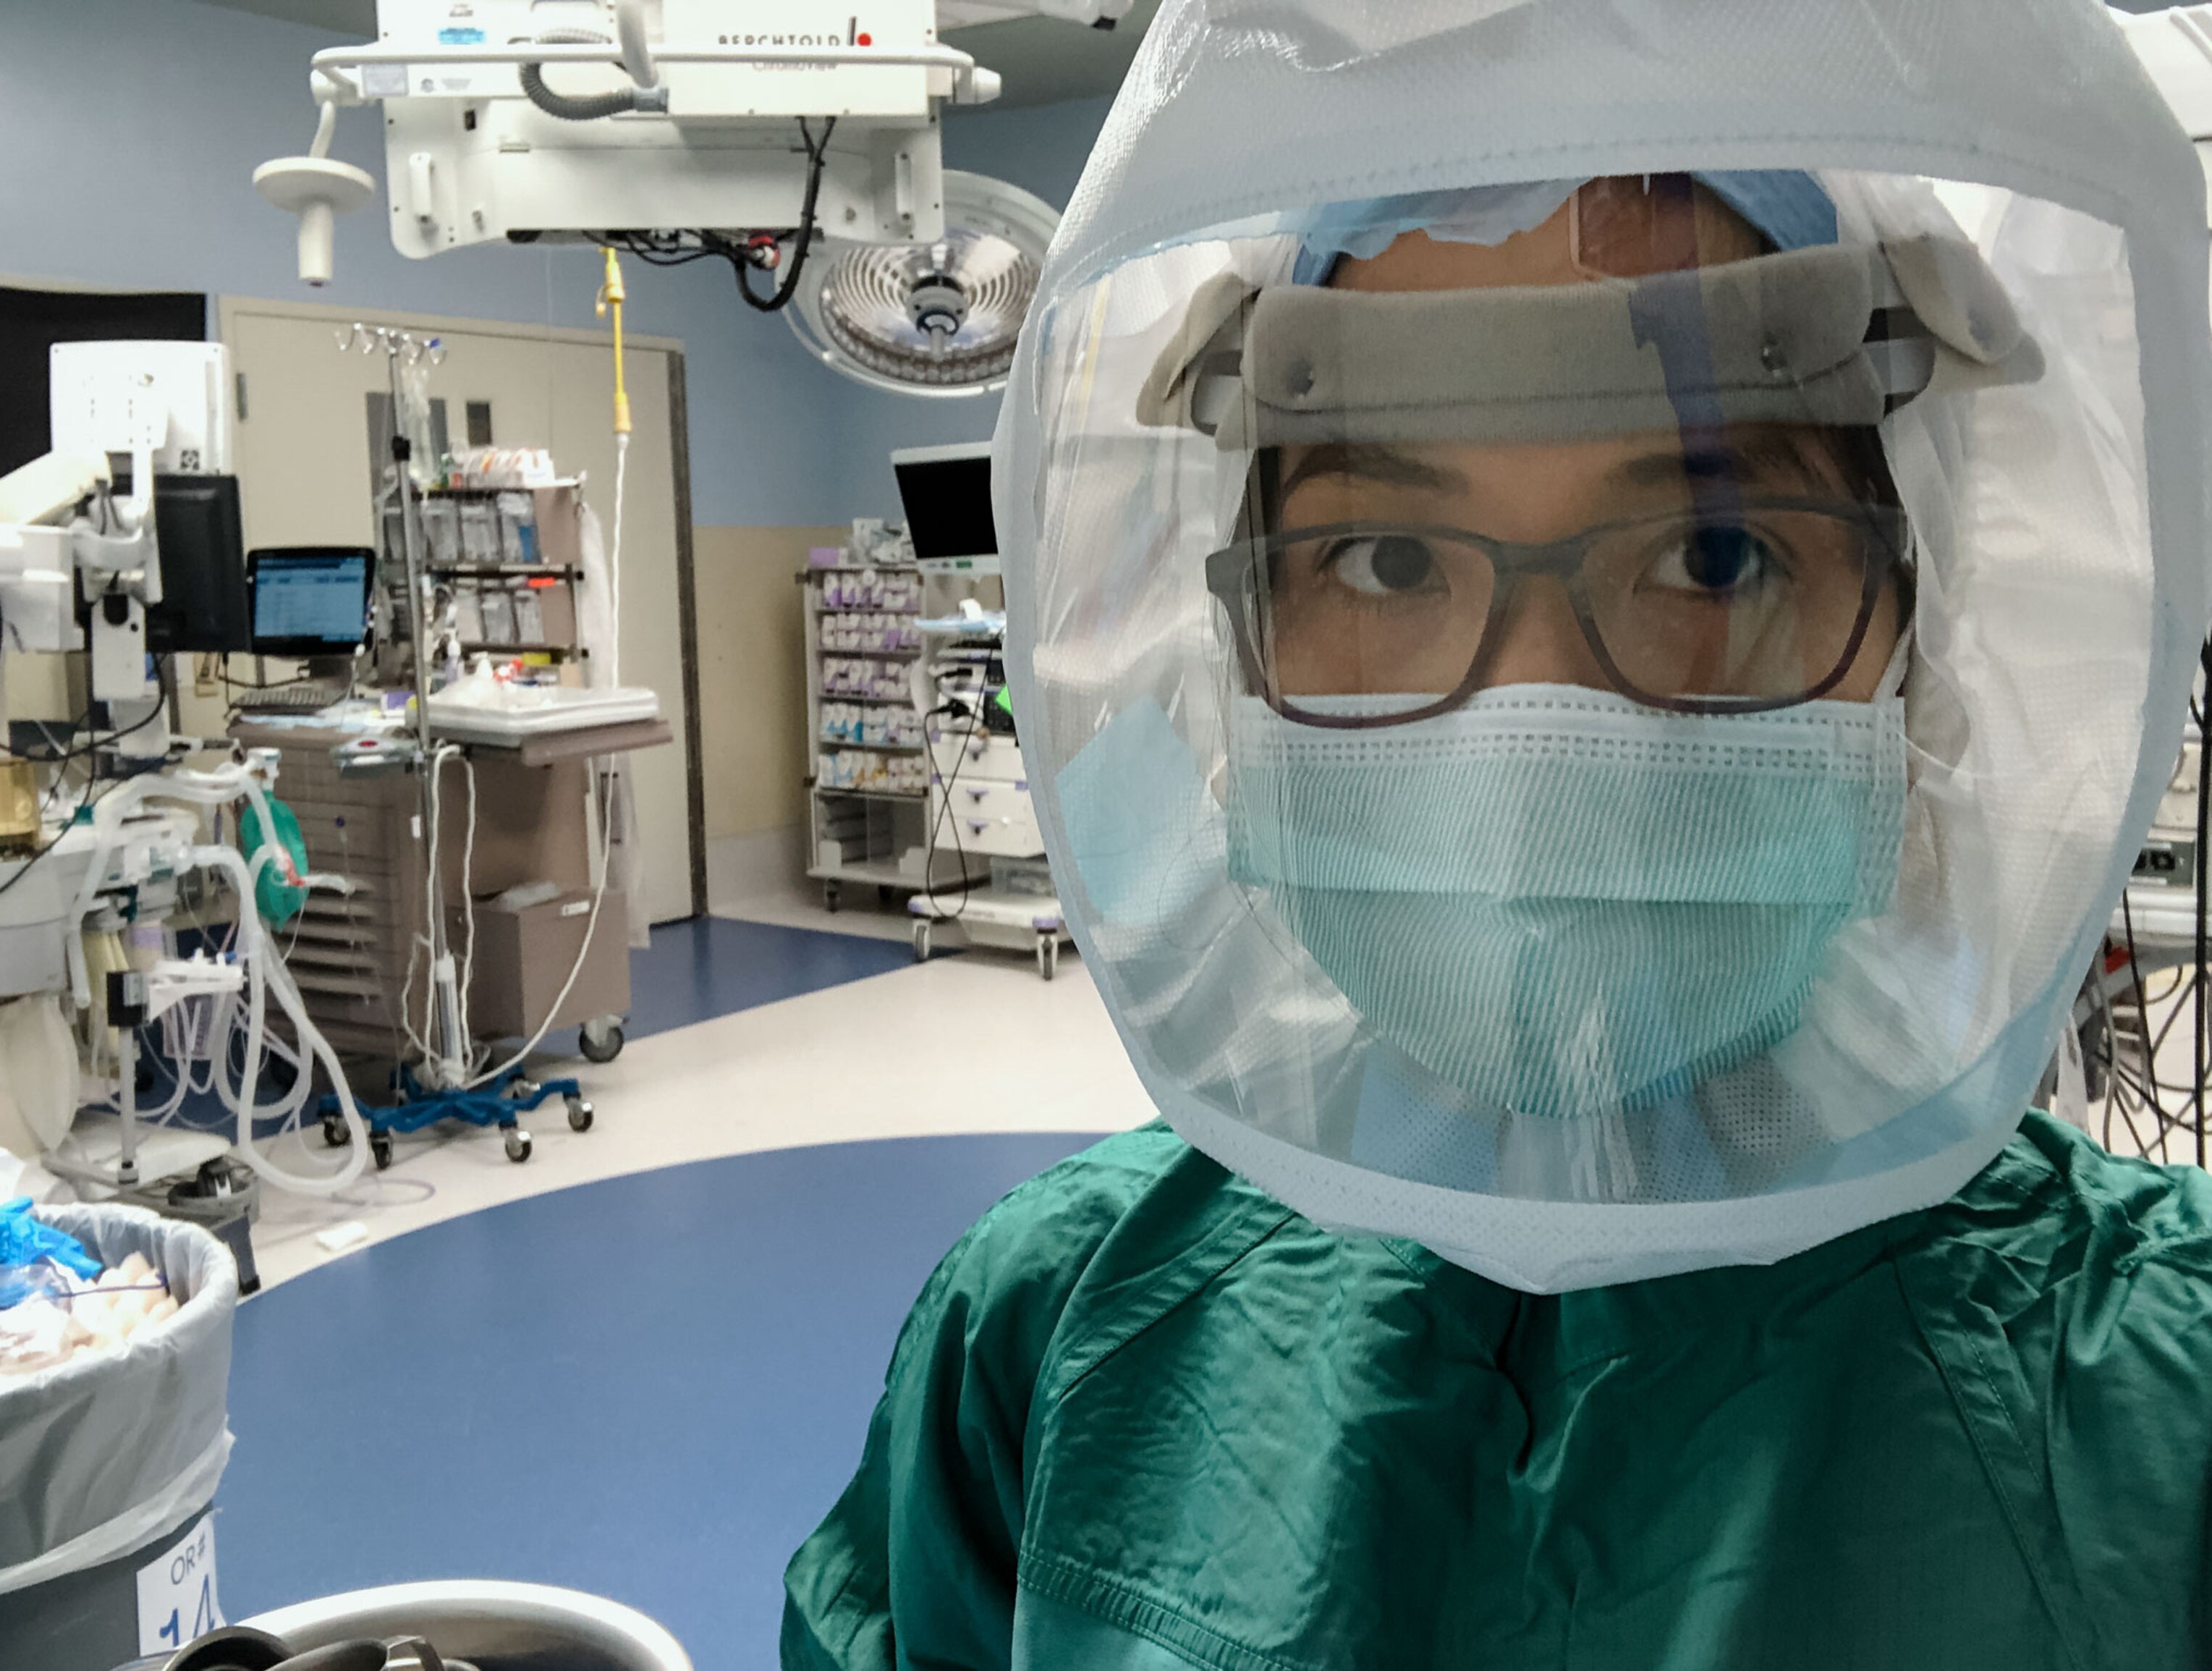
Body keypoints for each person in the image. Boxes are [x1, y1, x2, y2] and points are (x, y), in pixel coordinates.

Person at [782, 4, 2212, 1666]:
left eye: (1717, 558)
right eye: (1384, 563)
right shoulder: (1047, 1352)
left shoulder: (2162, 1419)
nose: (1536, 749)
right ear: (1232, 652)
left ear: (1918, 641)